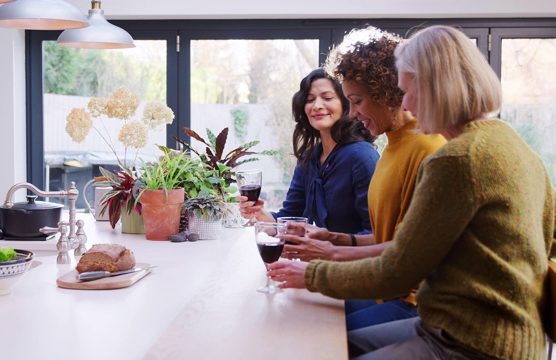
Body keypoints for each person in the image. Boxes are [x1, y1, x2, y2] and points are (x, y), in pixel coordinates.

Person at [269, 24, 556, 359]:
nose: (403, 102)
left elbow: (396, 272)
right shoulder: (516, 145)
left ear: (437, 88)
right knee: (329, 347)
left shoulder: (457, 158)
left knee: (321, 348)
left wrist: (313, 273)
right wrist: (335, 243)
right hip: (470, 330)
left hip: (475, 342)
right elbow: (548, 239)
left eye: (407, 92)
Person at [280, 27, 446, 331]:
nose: (352, 113)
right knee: (296, 315)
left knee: (318, 334)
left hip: (411, 301)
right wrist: (335, 239)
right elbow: (389, 236)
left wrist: (331, 254)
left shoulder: (427, 148)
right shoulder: (393, 145)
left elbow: (407, 251)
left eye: (356, 101)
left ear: (387, 91)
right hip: (384, 289)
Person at [238, 68, 379, 235]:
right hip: (319, 258)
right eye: (310, 99)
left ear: (346, 104)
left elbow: (377, 234)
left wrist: (330, 246)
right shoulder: (309, 158)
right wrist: (258, 213)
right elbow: (290, 218)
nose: (317, 106)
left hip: (353, 260)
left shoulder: (361, 156)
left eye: (327, 98)